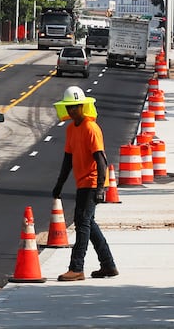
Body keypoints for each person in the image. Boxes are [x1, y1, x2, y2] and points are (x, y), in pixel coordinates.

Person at [51, 86, 118, 281]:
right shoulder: (71, 129)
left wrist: (100, 188)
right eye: (69, 107)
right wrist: (59, 184)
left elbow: (101, 159)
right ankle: (108, 264)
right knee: (88, 222)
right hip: (82, 182)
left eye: (76, 107)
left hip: (92, 181)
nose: (72, 111)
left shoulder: (91, 128)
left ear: (83, 106)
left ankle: (76, 268)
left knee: (81, 222)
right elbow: (67, 160)